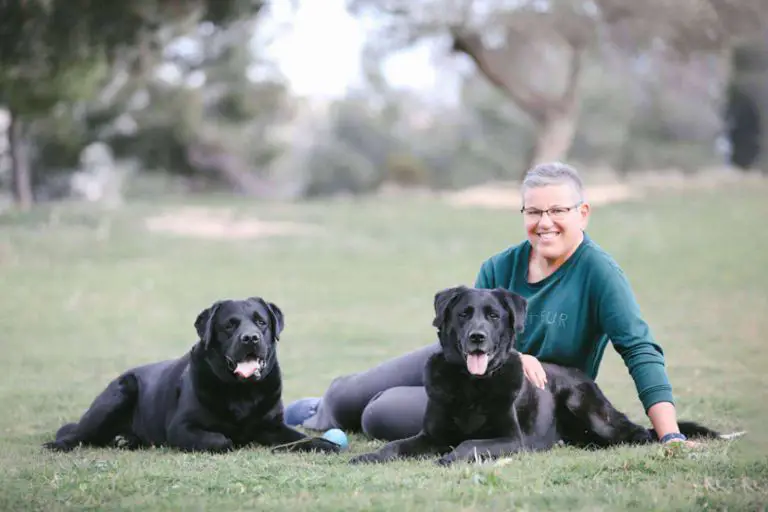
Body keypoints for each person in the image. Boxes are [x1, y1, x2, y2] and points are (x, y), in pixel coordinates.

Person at [284, 161, 694, 446]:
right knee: (349, 394)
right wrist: (517, 353)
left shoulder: (600, 273)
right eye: (534, 211)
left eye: (557, 210)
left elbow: (640, 349)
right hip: (468, 364)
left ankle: (349, 413)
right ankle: (318, 409)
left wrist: (670, 434)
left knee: (380, 413)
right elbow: (470, 327)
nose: (544, 222)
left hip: (518, 395)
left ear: (582, 213)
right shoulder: (500, 265)